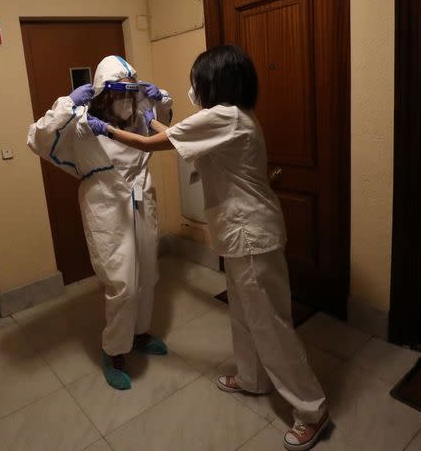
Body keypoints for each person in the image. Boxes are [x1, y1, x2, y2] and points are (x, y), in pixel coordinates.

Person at [86, 45, 330, 451]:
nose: (193, 87)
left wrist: (105, 127)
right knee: (245, 314)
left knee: (270, 324)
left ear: (216, 83)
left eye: (198, 80)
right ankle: (251, 379)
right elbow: (177, 136)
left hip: (252, 236)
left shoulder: (224, 117)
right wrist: (150, 118)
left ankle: (311, 410)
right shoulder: (236, 117)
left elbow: (152, 144)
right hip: (241, 235)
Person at [27, 55, 173, 391]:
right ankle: (114, 351)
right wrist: (66, 104)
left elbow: (169, 129)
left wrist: (161, 100)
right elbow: (37, 137)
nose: (125, 101)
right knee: (121, 281)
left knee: (148, 272)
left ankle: (140, 334)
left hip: (141, 198)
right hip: (105, 204)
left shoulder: (141, 117)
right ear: (103, 94)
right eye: (118, 93)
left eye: (130, 93)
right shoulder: (80, 123)